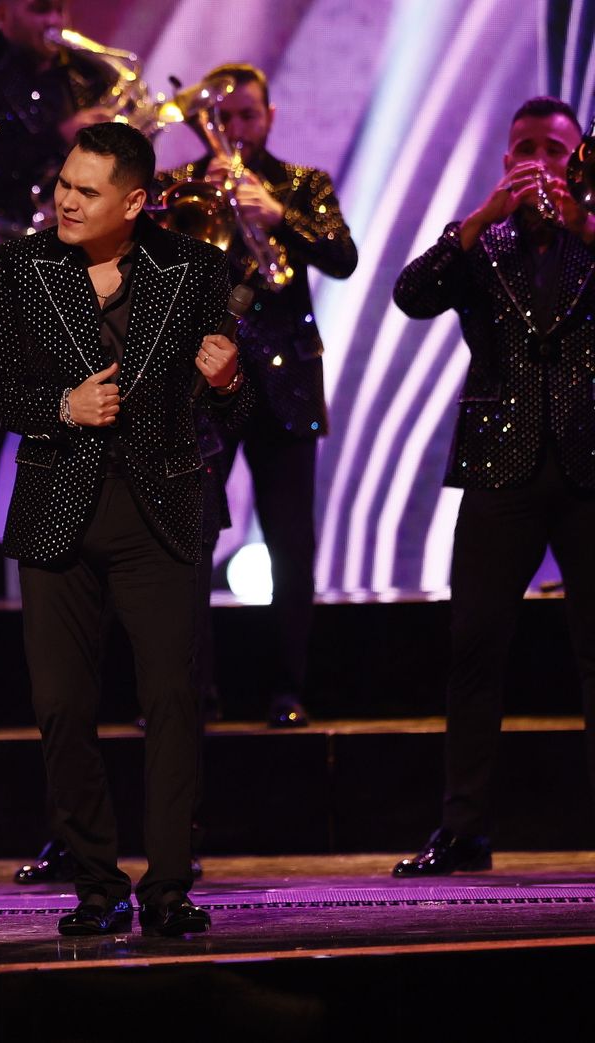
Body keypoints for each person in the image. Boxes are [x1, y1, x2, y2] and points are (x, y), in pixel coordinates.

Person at [0, 123, 244, 937]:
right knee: (60, 704)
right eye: (63, 184)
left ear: (134, 200)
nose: (65, 201)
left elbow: (236, 403)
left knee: (170, 701)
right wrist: (62, 405)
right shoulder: (23, 266)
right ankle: (95, 881)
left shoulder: (191, 268)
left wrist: (228, 383)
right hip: (57, 513)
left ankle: (166, 885)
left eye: (86, 192)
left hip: (159, 513)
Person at [391, 96, 595, 877]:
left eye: (551, 146)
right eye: (521, 148)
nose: (535, 159)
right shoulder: (485, 241)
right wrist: (477, 218)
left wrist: (584, 224)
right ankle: (464, 828)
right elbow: (412, 295)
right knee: (475, 646)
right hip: (500, 465)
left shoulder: (591, 235)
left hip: (587, 462)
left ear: (577, 157)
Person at [158, 62, 357, 729]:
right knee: (187, 544)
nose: (237, 129)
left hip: (285, 384)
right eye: (225, 117)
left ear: (270, 117)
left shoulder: (303, 186)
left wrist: (279, 217)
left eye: (248, 115)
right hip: (201, 385)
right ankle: (192, 695)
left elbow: (343, 257)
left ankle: (288, 690)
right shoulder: (178, 187)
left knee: (289, 541)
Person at [0, 0, 114, 600]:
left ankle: (76, 571)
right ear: (4, 10)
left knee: (86, 420)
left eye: (58, 6)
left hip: (80, 271)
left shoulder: (84, 73)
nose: (52, 20)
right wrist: (55, 138)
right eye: (38, 8)